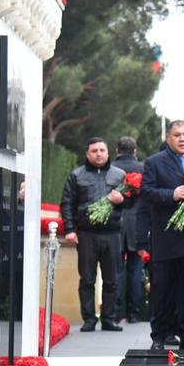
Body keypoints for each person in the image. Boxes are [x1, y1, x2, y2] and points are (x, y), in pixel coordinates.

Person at [142, 120, 184, 351]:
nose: (182, 139)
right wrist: (171, 194)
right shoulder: (154, 162)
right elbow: (147, 191)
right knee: (163, 288)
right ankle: (159, 336)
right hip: (167, 237)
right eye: (178, 135)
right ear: (168, 137)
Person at [61, 137, 127, 331]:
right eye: (94, 151)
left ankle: (109, 318)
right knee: (87, 279)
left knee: (112, 279)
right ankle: (89, 318)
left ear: (108, 153)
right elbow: (67, 204)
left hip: (112, 233)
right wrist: (71, 230)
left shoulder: (120, 175)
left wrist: (122, 199)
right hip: (87, 234)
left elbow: (133, 203)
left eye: (102, 150)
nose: (98, 154)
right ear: (87, 154)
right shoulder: (77, 175)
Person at [112, 136, 147, 323]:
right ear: (135, 151)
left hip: (115, 224)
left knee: (115, 271)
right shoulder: (144, 168)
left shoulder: (110, 169)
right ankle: (134, 314)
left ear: (117, 151)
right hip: (137, 225)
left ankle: (116, 314)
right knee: (136, 270)